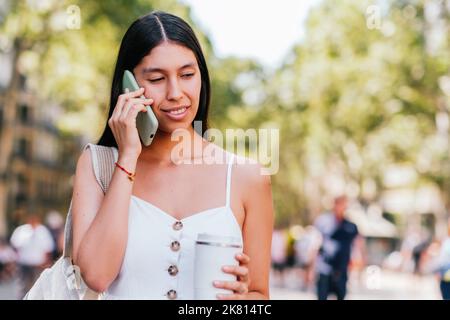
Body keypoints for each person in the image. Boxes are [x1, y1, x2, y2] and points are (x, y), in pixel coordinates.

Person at [71, 11, 274, 300]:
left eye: (187, 75)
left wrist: (240, 301)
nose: (176, 92)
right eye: (156, 78)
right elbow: (97, 276)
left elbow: (259, 296)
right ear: (128, 85)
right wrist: (127, 157)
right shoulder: (97, 164)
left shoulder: (247, 177)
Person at [314, 196, 358, 300]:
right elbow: (316, 243)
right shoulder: (324, 221)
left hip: (341, 269)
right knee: (322, 295)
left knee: (341, 294)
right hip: (325, 267)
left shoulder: (350, 226)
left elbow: (356, 245)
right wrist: (311, 268)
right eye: (340, 204)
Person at [10, 214, 54, 297]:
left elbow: (48, 248)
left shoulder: (43, 231)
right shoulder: (21, 230)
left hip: (38, 264)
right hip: (24, 263)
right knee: (23, 285)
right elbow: (15, 246)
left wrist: (46, 262)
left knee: (37, 284)